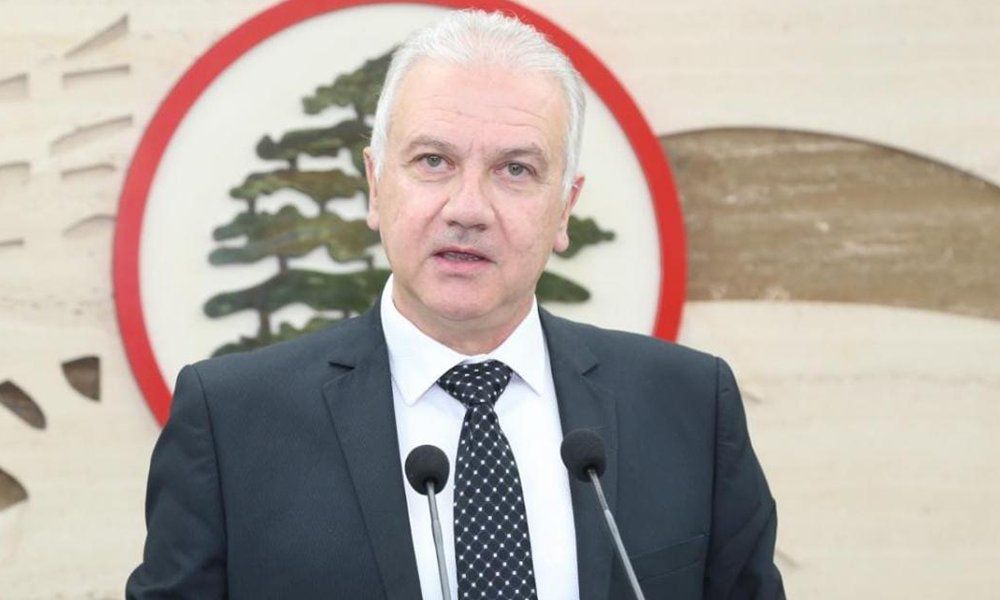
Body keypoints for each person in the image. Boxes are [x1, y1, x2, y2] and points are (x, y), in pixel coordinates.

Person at [127, 10, 783, 599]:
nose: (468, 209)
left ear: (565, 208)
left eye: (516, 169)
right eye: (434, 160)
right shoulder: (233, 424)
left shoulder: (688, 406)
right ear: (376, 185)